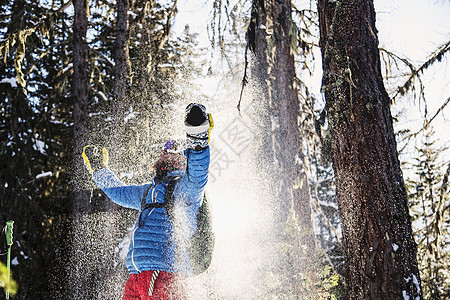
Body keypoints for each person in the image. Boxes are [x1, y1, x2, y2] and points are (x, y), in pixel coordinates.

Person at [82, 103, 213, 300]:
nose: (166, 152)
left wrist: (198, 142)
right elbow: (118, 192)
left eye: (173, 149)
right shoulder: (148, 192)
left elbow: (198, 173)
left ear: (182, 158)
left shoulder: (185, 189)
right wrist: (99, 170)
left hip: (165, 276)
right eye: (165, 148)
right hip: (136, 277)